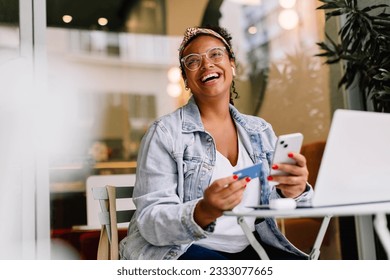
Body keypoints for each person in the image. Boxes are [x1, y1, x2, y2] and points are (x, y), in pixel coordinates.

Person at [119, 25, 313, 260]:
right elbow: (151, 221)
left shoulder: (260, 131)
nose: (206, 64)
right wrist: (202, 211)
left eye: (215, 54)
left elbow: (270, 205)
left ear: (232, 64)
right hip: (180, 250)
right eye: (192, 61)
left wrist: (292, 191)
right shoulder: (165, 133)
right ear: (186, 80)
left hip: (250, 247)